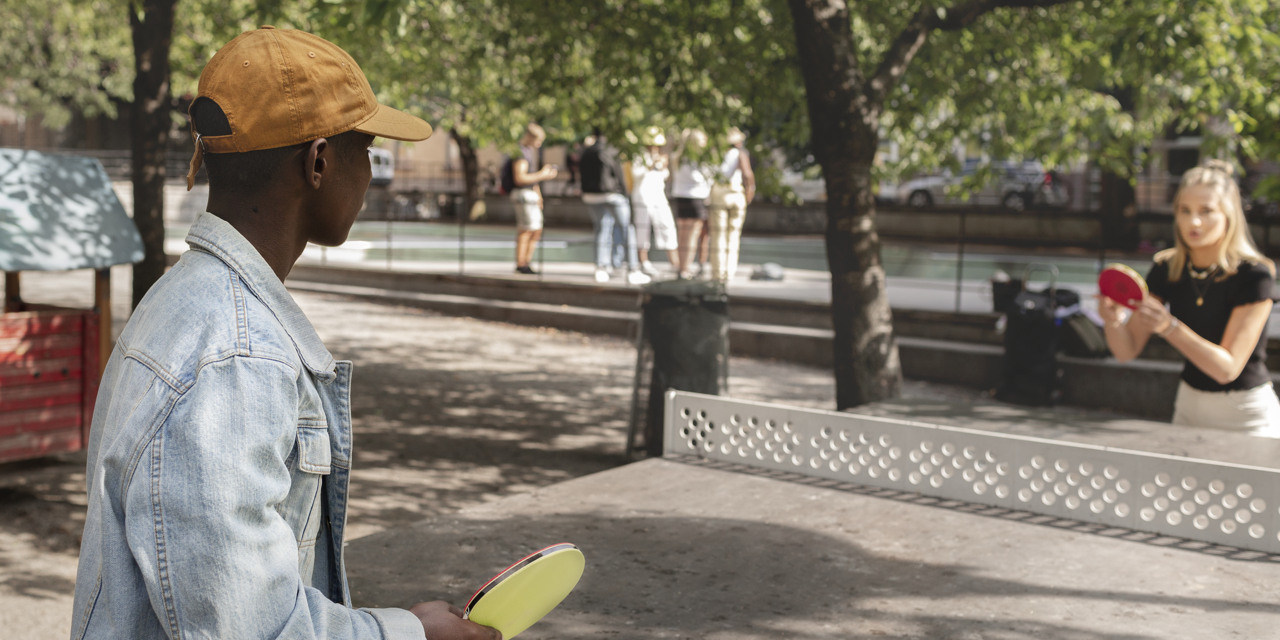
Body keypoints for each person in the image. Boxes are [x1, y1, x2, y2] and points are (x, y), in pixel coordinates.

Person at [71, 27, 501, 640]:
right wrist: (411, 632)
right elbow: (248, 628)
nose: (371, 169)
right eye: (367, 147)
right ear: (319, 161)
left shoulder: (183, 299)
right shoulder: (234, 357)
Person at [1099, 160, 1280, 436]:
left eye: (1206, 211)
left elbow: (1226, 369)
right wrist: (1112, 321)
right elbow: (1127, 350)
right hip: (1189, 406)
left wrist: (1169, 327)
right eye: (1185, 210)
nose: (1193, 221)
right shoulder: (1166, 268)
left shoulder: (1255, 275)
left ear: (1228, 216)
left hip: (1246, 415)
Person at [580, 128, 651, 285]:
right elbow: (618, 173)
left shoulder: (586, 151)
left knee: (601, 229)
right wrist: (625, 194)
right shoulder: (611, 150)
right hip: (612, 194)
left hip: (591, 195)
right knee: (627, 229)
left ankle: (601, 267)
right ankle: (633, 268)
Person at [707, 127, 756, 284]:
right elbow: (748, 174)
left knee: (718, 235)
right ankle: (729, 272)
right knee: (733, 235)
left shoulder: (714, 153)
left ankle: (718, 273)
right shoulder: (740, 153)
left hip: (719, 194)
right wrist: (750, 190)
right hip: (736, 194)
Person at [510, 123, 558, 275]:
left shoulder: (528, 152)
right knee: (526, 229)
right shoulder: (521, 153)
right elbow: (520, 178)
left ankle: (525, 262)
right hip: (523, 195)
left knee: (535, 229)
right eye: (538, 140)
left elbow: (531, 179)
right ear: (530, 137)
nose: (539, 144)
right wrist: (542, 175)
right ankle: (521, 264)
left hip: (530, 194)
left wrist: (539, 194)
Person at [630, 126, 678, 276]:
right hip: (642, 197)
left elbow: (666, 176)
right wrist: (650, 165)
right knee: (642, 229)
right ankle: (643, 261)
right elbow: (636, 174)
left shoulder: (661, 156)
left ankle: (675, 263)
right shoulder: (639, 156)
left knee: (667, 226)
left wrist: (663, 165)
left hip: (658, 196)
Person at [670, 128, 712, 279]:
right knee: (691, 237)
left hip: (681, 197)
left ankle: (682, 268)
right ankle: (685, 269)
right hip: (696, 199)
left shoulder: (678, 156)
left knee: (683, 236)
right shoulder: (696, 159)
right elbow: (700, 178)